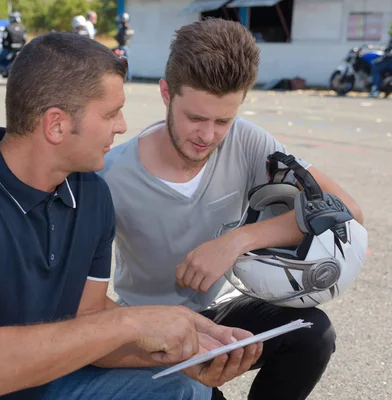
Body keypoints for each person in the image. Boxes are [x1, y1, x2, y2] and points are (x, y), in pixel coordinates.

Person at [0, 31, 262, 400]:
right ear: (56, 124)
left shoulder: (92, 195)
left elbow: (87, 319)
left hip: (34, 387)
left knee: (183, 389)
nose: (122, 127)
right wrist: (133, 323)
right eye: (110, 115)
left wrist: (186, 350)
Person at [98, 19, 365, 400]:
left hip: (221, 313)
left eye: (223, 120)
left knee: (313, 334)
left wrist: (238, 241)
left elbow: (347, 211)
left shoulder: (248, 141)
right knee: (195, 392)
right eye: (195, 118)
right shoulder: (112, 175)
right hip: (150, 324)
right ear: (165, 93)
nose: (208, 136)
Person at [0, 11, 27, 84]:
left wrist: (5, 46)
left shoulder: (8, 27)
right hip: (20, 50)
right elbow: (24, 39)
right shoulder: (23, 28)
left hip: (9, 50)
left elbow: (4, 39)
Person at [369, 23, 392, 98]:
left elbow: (389, 51)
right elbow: (388, 49)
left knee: (376, 67)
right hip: (388, 57)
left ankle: (375, 89)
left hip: (389, 59)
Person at [114, 13, 134, 81]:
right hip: (123, 47)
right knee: (125, 63)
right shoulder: (125, 28)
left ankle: (127, 78)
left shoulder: (126, 29)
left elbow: (122, 38)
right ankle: (126, 77)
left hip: (123, 47)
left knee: (125, 63)